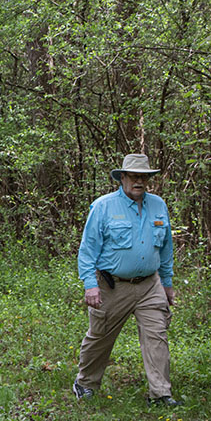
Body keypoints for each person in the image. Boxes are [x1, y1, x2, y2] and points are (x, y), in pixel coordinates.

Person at [74, 154, 179, 406]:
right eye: (133, 176)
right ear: (123, 178)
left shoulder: (158, 205)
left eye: (143, 176)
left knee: (157, 336)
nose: (139, 181)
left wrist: (167, 283)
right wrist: (90, 285)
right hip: (112, 285)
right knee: (99, 336)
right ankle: (85, 383)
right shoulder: (103, 206)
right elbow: (87, 249)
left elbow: (166, 249)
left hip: (149, 285)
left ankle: (161, 393)